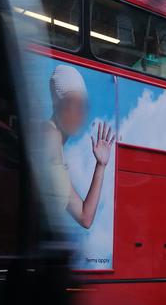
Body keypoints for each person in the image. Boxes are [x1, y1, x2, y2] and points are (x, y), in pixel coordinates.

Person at [43, 64, 114, 230]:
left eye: (82, 106)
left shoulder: (58, 162)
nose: (78, 113)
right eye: (71, 104)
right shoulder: (49, 135)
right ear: (56, 105)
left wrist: (101, 165)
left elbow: (85, 217)